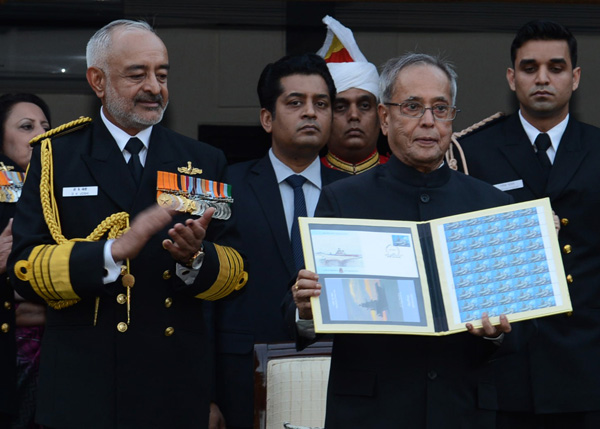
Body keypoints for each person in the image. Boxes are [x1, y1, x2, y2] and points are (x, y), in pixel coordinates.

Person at [7, 20, 247, 429]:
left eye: (163, 74)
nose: (155, 87)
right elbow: (25, 269)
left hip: (173, 390)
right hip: (84, 393)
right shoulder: (55, 157)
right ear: (97, 81)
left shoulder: (201, 161)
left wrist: (194, 258)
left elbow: (236, 271)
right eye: (138, 74)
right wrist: (110, 252)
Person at [288, 53, 513, 429]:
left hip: (462, 412)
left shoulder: (490, 204)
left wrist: (498, 334)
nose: (428, 121)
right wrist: (306, 309)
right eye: (412, 107)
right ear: (385, 117)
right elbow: (298, 308)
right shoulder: (343, 200)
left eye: (440, 109)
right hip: (370, 413)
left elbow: (527, 329)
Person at [455, 20, 600, 429]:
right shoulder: (472, 152)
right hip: (504, 363)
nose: (542, 78)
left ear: (574, 79)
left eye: (556, 68)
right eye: (529, 67)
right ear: (511, 76)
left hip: (586, 363)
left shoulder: (597, 148)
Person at [208, 53, 347, 429]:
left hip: (339, 379)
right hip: (240, 380)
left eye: (321, 104)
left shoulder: (356, 195)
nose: (310, 113)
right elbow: (202, 298)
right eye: (295, 102)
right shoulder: (226, 187)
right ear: (267, 118)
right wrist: (204, 395)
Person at [0, 94, 51, 429]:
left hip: (54, 360)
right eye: (26, 127)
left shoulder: (59, 194)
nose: (40, 135)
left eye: (46, 127)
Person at [317, 15, 388, 174]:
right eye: (340, 107)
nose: (354, 115)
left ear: (381, 117)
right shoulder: (305, 178)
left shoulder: (402, 176)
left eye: (364, 106)